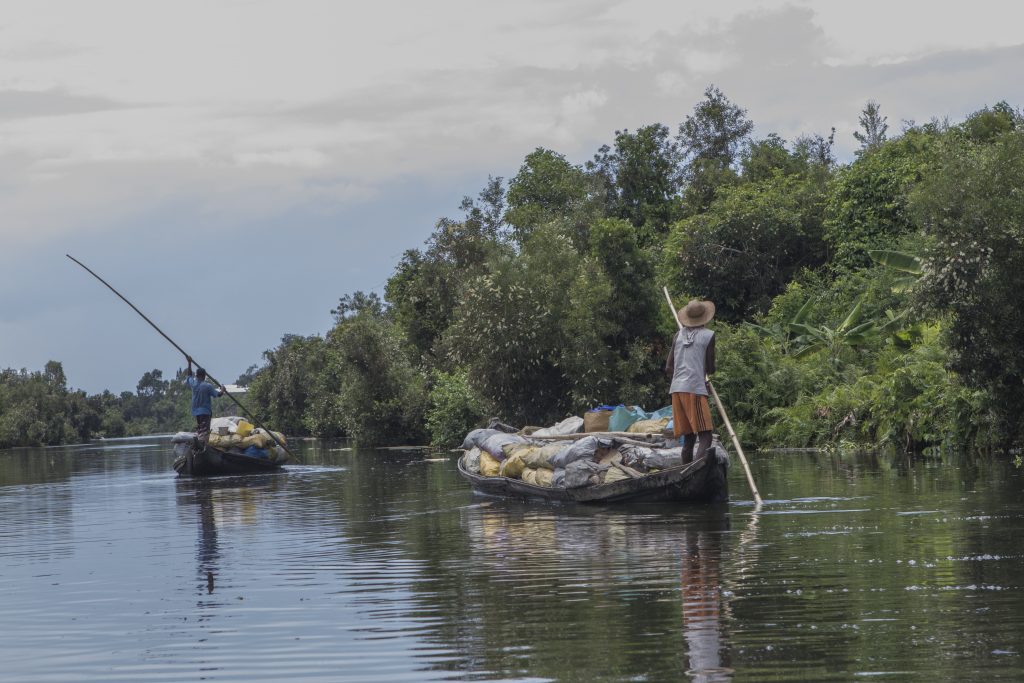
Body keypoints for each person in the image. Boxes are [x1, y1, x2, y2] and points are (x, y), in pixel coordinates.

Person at [665, 299, 716, 464]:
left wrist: (681, 380)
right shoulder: (708, 336)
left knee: (689, 437)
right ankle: (695, 471)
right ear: (704, 318)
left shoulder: (677, 335)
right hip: (694, 389)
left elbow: (668, 367)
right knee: (706, 435)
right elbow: (711, 368)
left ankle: (685, 471)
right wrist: (701, 380)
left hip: (676, 390)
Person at [185, 357, 225, 449]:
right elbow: (218, 394)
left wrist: (189, 363)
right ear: (204, 376)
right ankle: (204, 448)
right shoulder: (207, 386)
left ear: (197, 375)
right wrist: (222, 390)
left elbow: (189, 376)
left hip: (196, 413)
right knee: (205, 432)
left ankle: (201, 446)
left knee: (201, 430)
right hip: (205, 412)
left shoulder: (194, 384)